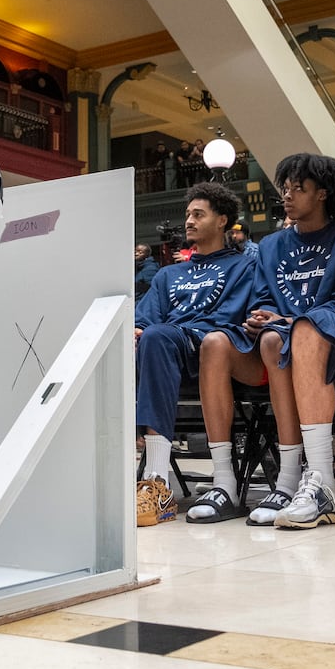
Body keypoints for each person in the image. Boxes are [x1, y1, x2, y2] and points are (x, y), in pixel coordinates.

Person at [232, 154, 335, 529]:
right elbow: (262, 296)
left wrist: (290, 320)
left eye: (299, 189)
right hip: (281, 337)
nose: (288, 196)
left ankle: (312, 477)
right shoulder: (270, 244)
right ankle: (289, 477)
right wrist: (263, 315)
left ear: (323, 194)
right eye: (285, 188)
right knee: (269, 341)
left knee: (301, 332)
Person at [133, 183, 257, 526]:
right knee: (137, 341)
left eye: (198, 214)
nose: (189, 220)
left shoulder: (241, 267)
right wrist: (135, 330)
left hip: (210, 350)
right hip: (165, 352)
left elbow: (230, 320)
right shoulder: (168, 273)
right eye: (188, 214)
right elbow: (145, 319)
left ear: (222, 221)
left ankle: (157, 481)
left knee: (158, 338)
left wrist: (157, 332)